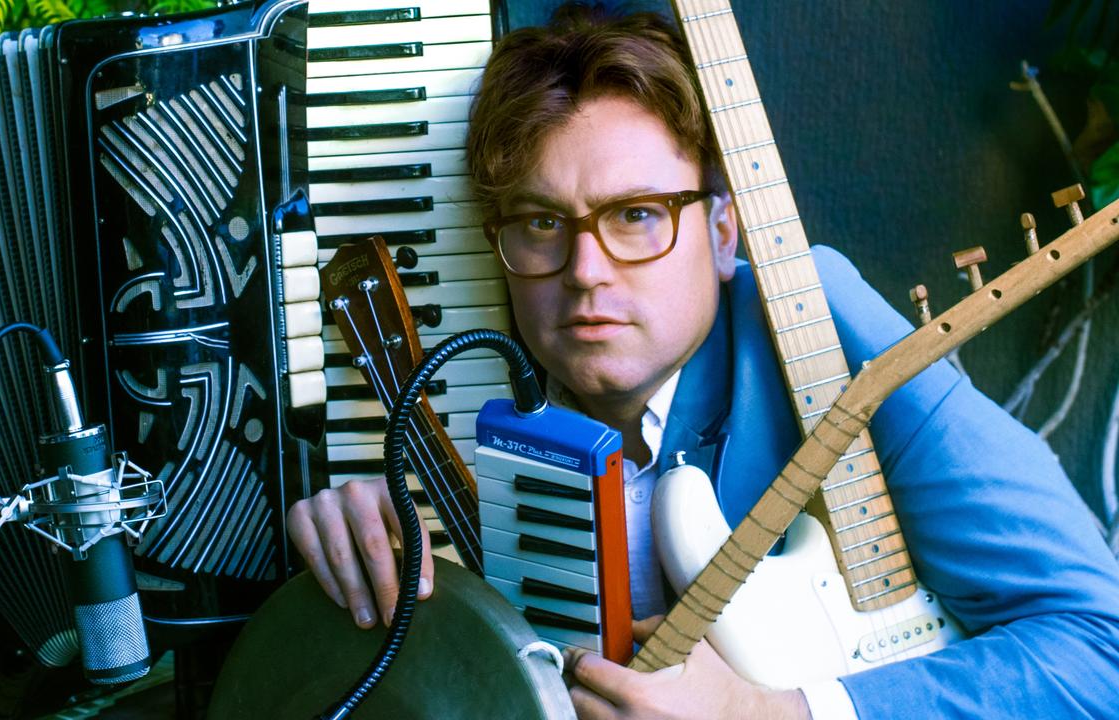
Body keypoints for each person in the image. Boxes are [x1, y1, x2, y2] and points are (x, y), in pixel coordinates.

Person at [285, 7, 1119, 718]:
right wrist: (364, 539)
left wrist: (787, 714)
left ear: (723, 230)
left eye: (638, 215)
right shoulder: (469, 379)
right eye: (541, 223)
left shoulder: (818, 324)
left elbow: (1099, 649)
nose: (586, 271)